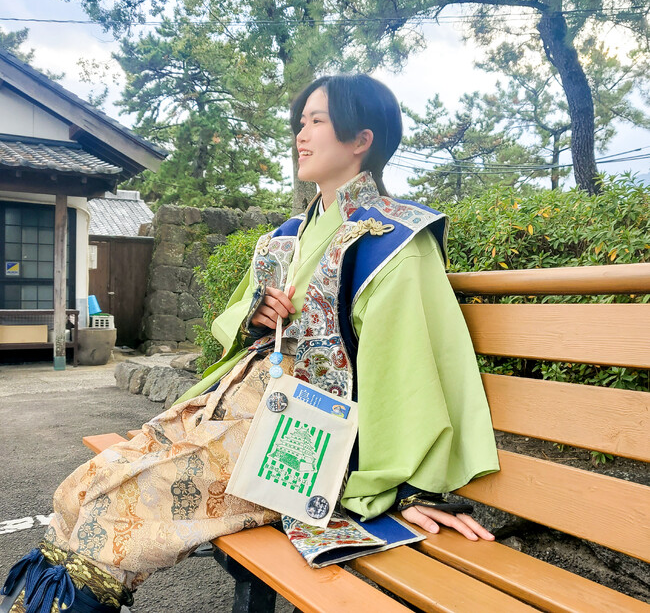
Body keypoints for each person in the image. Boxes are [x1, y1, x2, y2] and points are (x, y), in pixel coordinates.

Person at [1, 74, 499, 613]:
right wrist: (255, 314)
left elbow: (408, 368)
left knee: (112, 510)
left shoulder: (395, 242)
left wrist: (408, 488)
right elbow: (233, 320)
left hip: (304, 436)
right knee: (81, 488)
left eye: (317, 121)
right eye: (300, 122)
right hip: (237, 406)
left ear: (362, 139)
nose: (301, 135)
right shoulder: (285, 237)